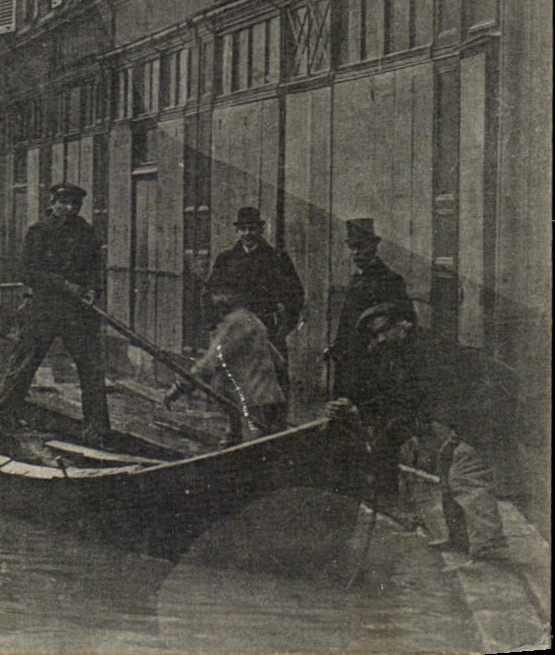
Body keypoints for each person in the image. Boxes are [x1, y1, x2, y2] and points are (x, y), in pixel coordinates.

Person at [327, 303, 510, 562]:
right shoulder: (406, 351)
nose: (378, 340)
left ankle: (491, 545)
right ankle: (461, 539)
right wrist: (357, 408)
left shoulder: (425, 351)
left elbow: (412, 403)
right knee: (448, 464)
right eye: (374, 336)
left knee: (466, 473)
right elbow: (394, 396)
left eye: (382, 332)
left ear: (404, 325)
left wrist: (368, 419)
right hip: (470, 409)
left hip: (489, 404)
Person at [0, 183, 109, 443]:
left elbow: (96, 269)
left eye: (75, 204)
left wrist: (92, 290)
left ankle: (97, 429)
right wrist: (65, 285)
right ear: (52, 204)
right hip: (43, 308)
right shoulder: (38, 232)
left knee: (91, 368)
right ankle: (2, 419)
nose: (70, 209)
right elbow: (27, 272)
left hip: (77, 313)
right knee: (25, 363)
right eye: (64, 203)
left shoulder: (86, 232)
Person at [164, 288, 287, 446]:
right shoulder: (252, 320)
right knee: (243, 442)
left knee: (254, 450)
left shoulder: (234, 324)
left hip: (254, 403)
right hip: (261, 400)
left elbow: (208, 365)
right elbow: (279, 361)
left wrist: (177, 388)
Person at [326, 218, 414, 408]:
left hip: (372, 366)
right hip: (348, 361)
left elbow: (407, 321)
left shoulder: (390, 280)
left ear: (374, 247)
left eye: (361, 247)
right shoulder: (357, 278)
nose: (356, 253)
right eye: (353, 248)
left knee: (366, 413)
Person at [205, 207, 306, 344]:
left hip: (267, 332)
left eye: (252, 228)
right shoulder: (226, 259)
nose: (247, 233)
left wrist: (283, 330)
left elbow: (295, 295)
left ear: (261, 230)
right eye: (243, 229)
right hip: (232, 333)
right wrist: (215, 326)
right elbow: (209, 293)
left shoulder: (277, 259)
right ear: (237, 231)